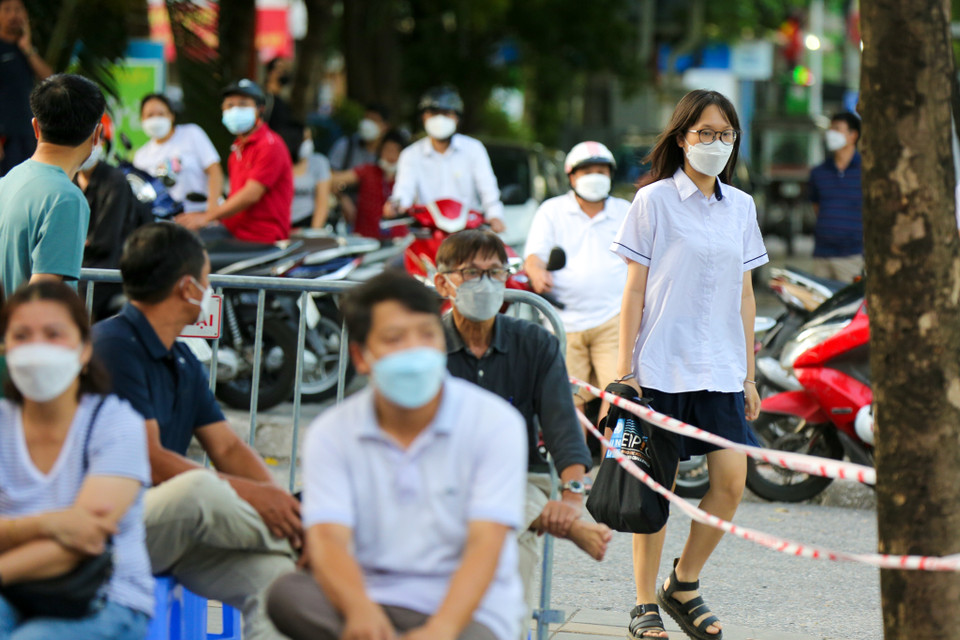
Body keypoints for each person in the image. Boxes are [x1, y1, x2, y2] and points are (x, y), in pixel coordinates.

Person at [266, 271, 527, 640]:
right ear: (360, 356)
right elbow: (328, 539)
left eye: (426, 334)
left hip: (466, 611)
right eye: (394, 338)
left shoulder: (494, 423)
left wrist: (440, 629)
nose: (414, 349)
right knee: (288, 595)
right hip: (371, 597)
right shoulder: (332, 432)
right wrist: (359, 610)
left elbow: (486, 543)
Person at [92, 223, 299, 640]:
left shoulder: (181, 357)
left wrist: (277, 500)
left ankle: (298, 538)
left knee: (280, 582)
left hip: (172, 535)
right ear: (187, 288)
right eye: (206, 281)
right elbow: (149, 461)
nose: (209, 291)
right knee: (198, 489)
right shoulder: (112, 346)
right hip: (111, 532)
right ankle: (313, 541)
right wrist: (268, 504)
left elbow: (226, 445)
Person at [611, 89, 767, 639]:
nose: (715, 143)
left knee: (730, 482)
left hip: (721, 368)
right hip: (658, 367)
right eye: (704, 133)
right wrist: (625, 368)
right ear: (681, 138)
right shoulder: (652, 201)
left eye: (725, 134)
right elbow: (633, 290)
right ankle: (642, 603)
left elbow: (745, 293)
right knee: (653, 489)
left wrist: (748, 374)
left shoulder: (742, 206)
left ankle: (683, 583)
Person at [434, 230, 612, 618]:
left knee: (507, 600)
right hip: (440, 482)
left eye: (495, 273)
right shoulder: (425, 346)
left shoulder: (535, 343)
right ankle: (561, 528)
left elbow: (562, 423)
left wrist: (570, 499)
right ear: (442, 282)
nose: (484, 283)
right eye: (470, 272)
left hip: (518, 482)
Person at [0, 281, 152, 640]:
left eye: (54, 334)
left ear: (85, 350)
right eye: (22, 335)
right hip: (14, 590)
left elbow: (84, 543)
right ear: (5, 347)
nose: (37, 347)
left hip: (105, 597)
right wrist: (50, 524)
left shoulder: (115, 424)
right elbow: (67, 531)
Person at [524, 141, 630, 412]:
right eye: (587, 171)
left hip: (614, 318)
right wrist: (536, 271)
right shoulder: (552, 210)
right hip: (564, 321)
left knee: (621, 395)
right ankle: (577, 456)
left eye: (601, 171)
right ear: (571, 176)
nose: (595, 177)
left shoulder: (626, 211)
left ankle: (613, 455)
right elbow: (534, 255)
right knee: (569, 400)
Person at [0, 73, 105, 296]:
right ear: (97, 135)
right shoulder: (66, 199)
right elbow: (42, 298)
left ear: (36, 127)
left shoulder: (7, 181)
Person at [175, 79, 293, 244]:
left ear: (260, 110)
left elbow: (251, 194)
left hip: (261, 237)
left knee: (191, 252)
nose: (235, 110)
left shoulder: (270, 144)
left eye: (243, 104)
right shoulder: (237, 149)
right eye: (229, 105)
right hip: (234, 230)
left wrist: (207, 216)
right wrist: (210, 216)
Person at [387, 86, 506, 234]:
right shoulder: (411, 154)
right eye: (434, 113)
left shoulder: (474, 149)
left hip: (467, 234)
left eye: (446, 113)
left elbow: (488, 190)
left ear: (457, 118)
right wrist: (395, 206)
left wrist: (495, 216)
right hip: (427, 234)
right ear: (424, 117)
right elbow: (403, 193)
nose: (439, 119)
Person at [76, 133, 153, 319]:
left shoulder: (114, 180)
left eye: (93, 141)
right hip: (79, 263)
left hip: (108, 267)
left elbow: (105, 239)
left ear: (102, 143)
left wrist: (74, 242)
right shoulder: (70, 179)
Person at [133, 92, 224, 214]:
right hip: (165, 221)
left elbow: (214, 171)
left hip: (202, 214)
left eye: (161, 114)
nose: (155, 119)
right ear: (142, 120)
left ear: (171, 116)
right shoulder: (140, 157)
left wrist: (211, 212)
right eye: (150, 115)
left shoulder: (192, 133)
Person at [808, 112, 863, 282]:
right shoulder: (819, 173)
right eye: (831, 129)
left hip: (853, 256)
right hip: (822, 255)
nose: (831, 134)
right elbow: (817, 207)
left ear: (853, 135)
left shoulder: (867, 171)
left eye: (838, 129)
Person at [0, 0, 52, 176]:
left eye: (18, 10)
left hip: (28, 134)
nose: (14, 15)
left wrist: (27, 48)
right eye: (7, 10)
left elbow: (50, 79)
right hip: (5, 137)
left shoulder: (26, 49)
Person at [331, 129, 406, 239]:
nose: (391, 155)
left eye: (396, 151)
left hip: (398, 242)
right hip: (364, 239)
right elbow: (332, 180)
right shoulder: (368, 171)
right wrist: (343, 198)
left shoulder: (407, 177)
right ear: (380, 151)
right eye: (387, 150)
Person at [328, 104, 390, 226]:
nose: (368, 124)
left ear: (385, 126)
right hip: (347, 217)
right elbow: (329, 178)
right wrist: (343, 198)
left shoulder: (388, 152)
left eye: (374, 120)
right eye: (366, 119)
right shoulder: (346, 146)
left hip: (378, 219)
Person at [291, 128, 332, 229]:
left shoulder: (319, 162)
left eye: (309, 138)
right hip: (281, 225)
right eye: (303, 139)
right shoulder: (280, 161)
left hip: (307, 222)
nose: (307, 143)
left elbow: (322, 204)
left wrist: (314, 233)